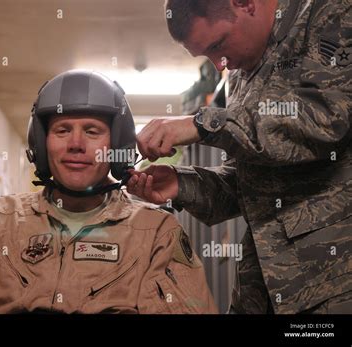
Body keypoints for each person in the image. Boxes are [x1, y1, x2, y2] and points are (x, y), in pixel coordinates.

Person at [0, 70, 217, 314]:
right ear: (42, 145)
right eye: (62, 130)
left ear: (118, 145)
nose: (76, 144)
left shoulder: (157, 235)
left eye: (92, 131)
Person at [127, 0, 351, 314]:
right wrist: (181, 184)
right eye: (205, 54)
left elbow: (326, 119)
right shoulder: (241, 73)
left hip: (334, 283)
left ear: (245, 4)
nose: (218, 64)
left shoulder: (329, 13)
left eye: (217, 45)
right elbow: (245, 185)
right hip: (265, 285)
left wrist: (203, 123)